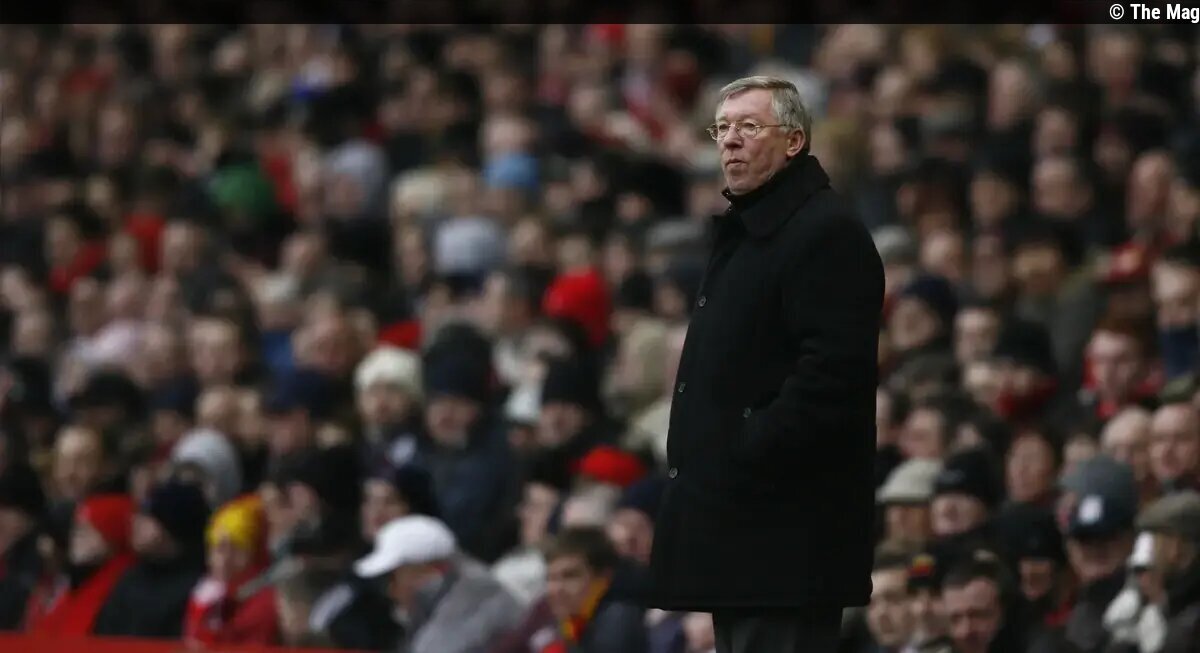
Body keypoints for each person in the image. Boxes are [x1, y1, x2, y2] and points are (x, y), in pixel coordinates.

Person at [648, 75, 884, 653]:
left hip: (785, 536)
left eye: (749, 126)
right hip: (743, 534)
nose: (730, 140)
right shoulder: (752, 231)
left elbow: (831, 377)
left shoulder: (824, 232)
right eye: (722, 129)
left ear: (794, 141)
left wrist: (745, 446)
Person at [354, 514, 524, 653]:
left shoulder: (477, 597)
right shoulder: (440, 600)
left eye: (394, 578)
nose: (391, 591)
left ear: (433, 571)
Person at [93, 479, 212, 638]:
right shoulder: (130, 578)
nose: (135, 522)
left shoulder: (197, 588)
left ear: (172, 526)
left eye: (147, 516)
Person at [26, 494, 134, 635]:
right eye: (76, 529)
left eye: (88, 529)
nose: (77, 537)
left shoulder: (121, 586)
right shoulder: (79, 579)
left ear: (112, 537)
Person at [183, 495, 278, 646]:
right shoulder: (205, 595)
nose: (225, 559)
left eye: (237, 549)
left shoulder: (263, 603)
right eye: (219, 548)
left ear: (256, 554)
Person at [540, 526, 649, 653]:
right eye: (551, 578)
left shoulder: (617, 622)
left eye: (570, 576)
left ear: (604, 578)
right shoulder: (569, 623)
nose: (556, 589)